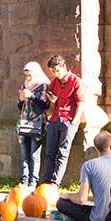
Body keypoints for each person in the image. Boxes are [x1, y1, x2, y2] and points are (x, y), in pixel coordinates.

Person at [57, 131, 111, 221]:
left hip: (100, 220)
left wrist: (68, 195)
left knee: (61, 203)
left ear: (96, 148)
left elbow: (81, 199)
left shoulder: (89, 165)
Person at [42, 55, 85, 186]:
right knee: (50, 153)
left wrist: (74, 123)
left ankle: (55, 183)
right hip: (54, 120)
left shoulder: (75, 81)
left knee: (62, 153)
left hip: (68, 121)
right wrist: (51, 107)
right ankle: (46, 182)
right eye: (53, 72)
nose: (55, 74)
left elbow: (81, 103)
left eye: (57, 71)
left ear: (63, 67)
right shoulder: (53, 83)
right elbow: (51, 106)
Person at [16, 62, 49, 189]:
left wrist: (32, 96)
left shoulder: (42, 85)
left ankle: (33, 181)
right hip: (24, 121)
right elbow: (20, 107)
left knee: (34, 154)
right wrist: (20, 99)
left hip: (37, 122)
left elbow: (44, 105)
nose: (27, 77)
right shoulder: (25, 84)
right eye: (26, 74)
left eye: (29, 74)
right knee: (24, 153)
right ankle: (24, 180)